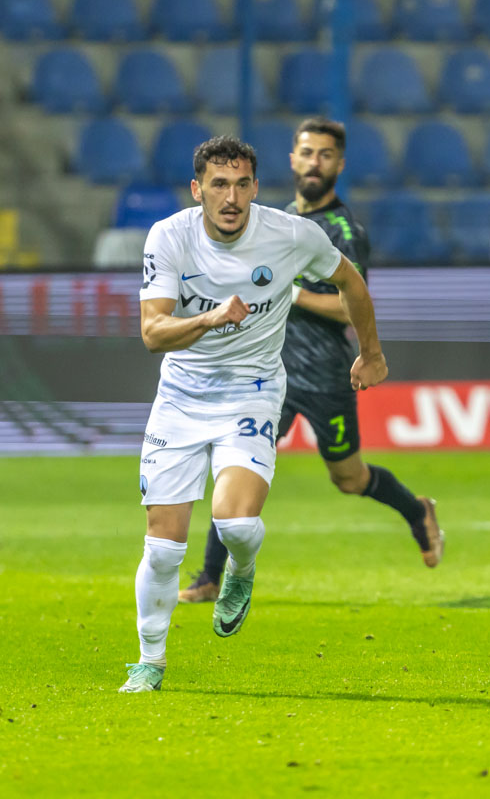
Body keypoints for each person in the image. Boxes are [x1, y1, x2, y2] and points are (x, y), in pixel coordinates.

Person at [120, 135, 389, 693]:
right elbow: (152, 333)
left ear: (257, 188)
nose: (232, 198)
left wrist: (371, 352)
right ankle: (150, 662)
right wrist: (211, 318)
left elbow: (350, 281)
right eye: (219, 185)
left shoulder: (290, 234)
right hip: (181, 399)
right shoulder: (168, 236)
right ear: (197, 190)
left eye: (242, 184)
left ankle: (240, 571)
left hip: (253, 390)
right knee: (164, 548)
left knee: (237, 524)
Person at [178, 118, 445, 607]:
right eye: (307, 153)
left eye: (325, 155)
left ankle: (416, 510)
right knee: (237, 461)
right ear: (292, 160)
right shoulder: (277, 221)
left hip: (325, 373)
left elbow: (350, 304)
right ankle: (210, 576)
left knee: (349, 478)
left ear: (339, 165)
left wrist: (293, 292)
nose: (314, 163)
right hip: (269, 372)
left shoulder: (342, 230)